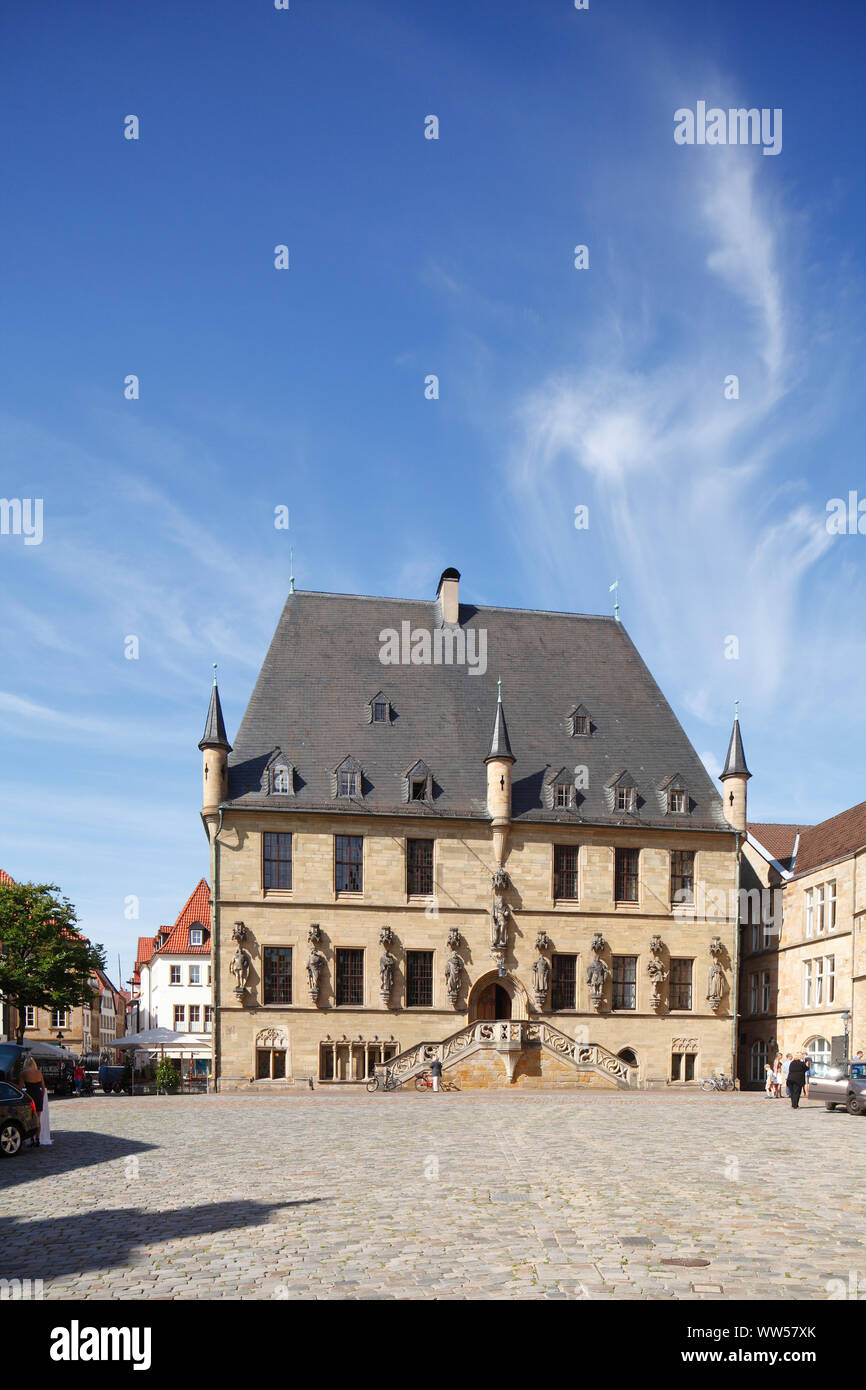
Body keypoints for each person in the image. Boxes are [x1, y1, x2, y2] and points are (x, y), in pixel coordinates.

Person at [20, 1054, 46, 1146]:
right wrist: (41, 1096)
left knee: (30, 1118)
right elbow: (43, 1088)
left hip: (30, 1097)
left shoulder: (24, 1073)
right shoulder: (39, 1073)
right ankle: (37, 1139)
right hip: (38, 1096)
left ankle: (31, 1139)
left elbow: (19, 1089)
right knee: (38, 1118)